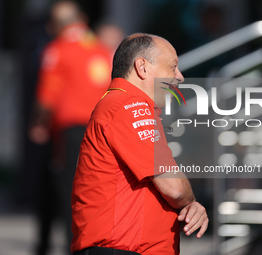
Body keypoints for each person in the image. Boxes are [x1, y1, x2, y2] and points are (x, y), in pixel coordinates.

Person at [71, 34, 208, 255]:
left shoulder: (121, 104)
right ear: (142, 67)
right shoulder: (130, 104)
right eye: (172, 67)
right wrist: (191, 201)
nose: (179, 77)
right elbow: (173, 187)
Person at [29, 1, 112, 254]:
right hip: (100, 131)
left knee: (67, 194)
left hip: (70, 133)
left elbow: (46, 98)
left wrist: (38, 124)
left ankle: (71, 248)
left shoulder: (58, 49)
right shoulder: (100, 48)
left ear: (56, 25)